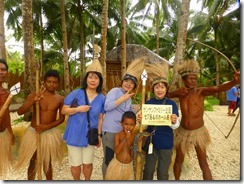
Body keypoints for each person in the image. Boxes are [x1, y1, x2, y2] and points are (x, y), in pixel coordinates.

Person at [167, 60, 240, 180]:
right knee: (179, 160)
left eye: (195, 79)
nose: (193, 81)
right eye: (190, 79)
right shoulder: (181, 92)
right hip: (182, 131)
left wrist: (234, 81)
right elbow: (162, 95)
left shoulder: (200, 91)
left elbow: (218, 88)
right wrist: (174, 92)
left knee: (203, 162)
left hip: (198, 131)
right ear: (184, 80)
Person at [62, 45, 105, 180]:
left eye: (96, 78)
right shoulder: (77, 93)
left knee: (88, 163)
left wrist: (99, 136)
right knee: (75, 165)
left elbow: (100, 118)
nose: (93, 80)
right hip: (74, 134)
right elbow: (64, 110)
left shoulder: (102, 98)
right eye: (90, 77)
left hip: (90, 135)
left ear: (100, 81)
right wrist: (77, 109)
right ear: (86, 78)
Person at [15, 69, 65, 180]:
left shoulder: (60, 99)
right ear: (44, 82)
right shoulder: (35, 95)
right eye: (49, 82)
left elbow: (62, 119)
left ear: (58, 83)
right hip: (34, 132)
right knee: (33, 161)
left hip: (49, 132)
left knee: (47, 162)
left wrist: (47, 126)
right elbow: (20, 111)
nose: (52, 84)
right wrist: (32, 101)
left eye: (54, 82)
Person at [101, 57, 145, 179]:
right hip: (110, 131)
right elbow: (107, 106)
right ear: (122, 82)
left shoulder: (129, 98)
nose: (128, 84)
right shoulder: (115, 91)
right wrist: (121, 99)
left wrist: (137, 113)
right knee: (109, 158)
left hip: (122, 131)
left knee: (120, 156)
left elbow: (128, 114)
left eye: (131, 83)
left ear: (134, 87)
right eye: (126, 81)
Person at [138, 62, 180, 180]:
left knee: (162, 172)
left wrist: (174, 120)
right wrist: (140, 120)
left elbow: (176, 125)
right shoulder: (148, 103)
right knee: (148, 170)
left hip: (166, 143)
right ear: (153, 89)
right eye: (157, 87)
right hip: (152, 142)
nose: (159, 90)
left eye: (162, 87)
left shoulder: (171, 104)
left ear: (166, 89)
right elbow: (144, 122)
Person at [105, 111, 137, 180]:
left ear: (135, 125)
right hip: (117, 164)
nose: (128, 127)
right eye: (126, 124)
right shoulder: (118, 135)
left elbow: (133, 152)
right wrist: (125, 139)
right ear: (121, 123)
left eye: (131, 125)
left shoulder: (134, 136)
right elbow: (117, 151)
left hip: (129, 166)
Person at [0, 59, 15, 178]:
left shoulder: (7, 93)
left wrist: (10, 132)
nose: (1, 72)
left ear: (7, 73)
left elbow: (6, 115)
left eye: (3, 70)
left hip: (3, 134)